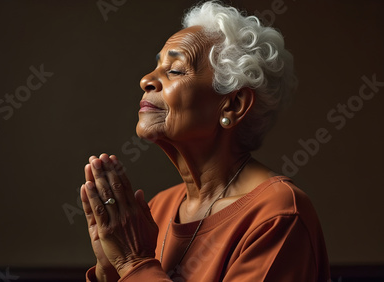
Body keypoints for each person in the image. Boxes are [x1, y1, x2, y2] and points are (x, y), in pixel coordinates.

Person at [80, 1, 330, 281]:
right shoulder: (158, 208)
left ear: (233, 104)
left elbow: (136, 266)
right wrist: (110, 269)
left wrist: (134, 262)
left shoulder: (278, 215)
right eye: (156, 66)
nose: (146, 80)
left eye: (174, 70)